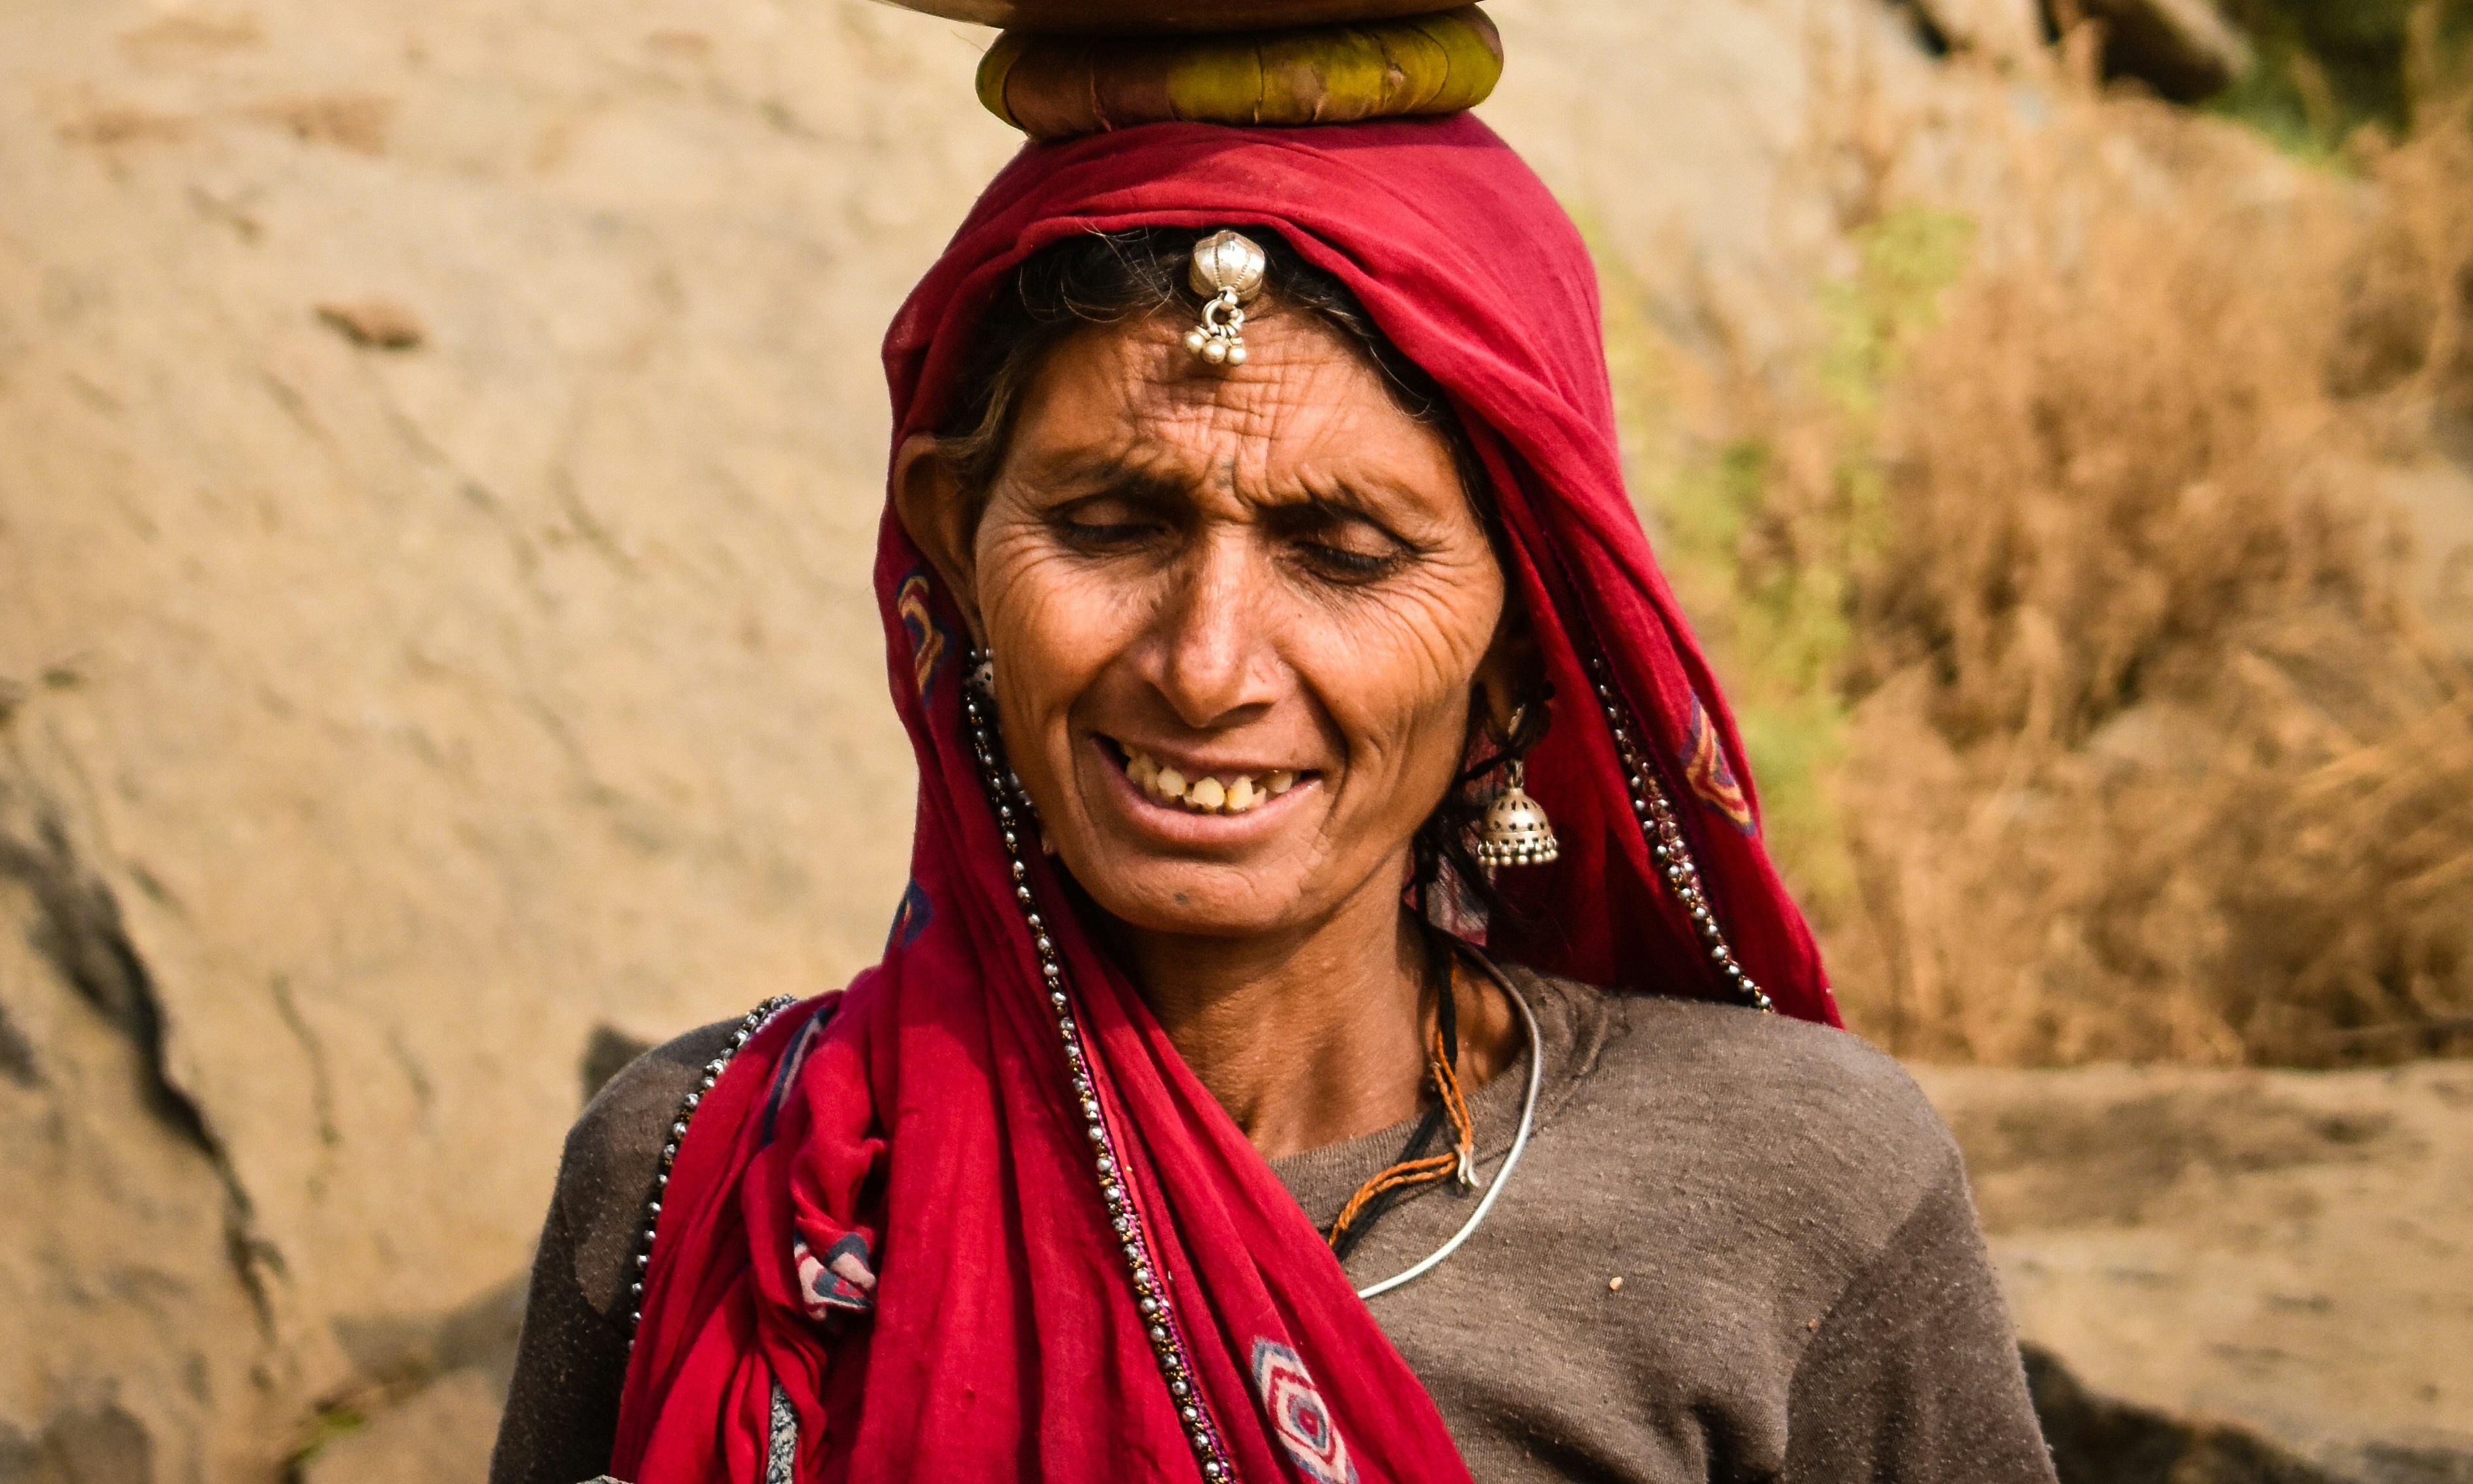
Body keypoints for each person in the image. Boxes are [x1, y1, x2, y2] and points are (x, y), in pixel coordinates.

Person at [491, 114, 2053, 1483]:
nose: (1205, 662)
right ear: (957, 550)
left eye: (1348, 554)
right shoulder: (706, 1177)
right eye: (1108, 522)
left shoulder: (1785, 1190)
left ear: (1516, 643)